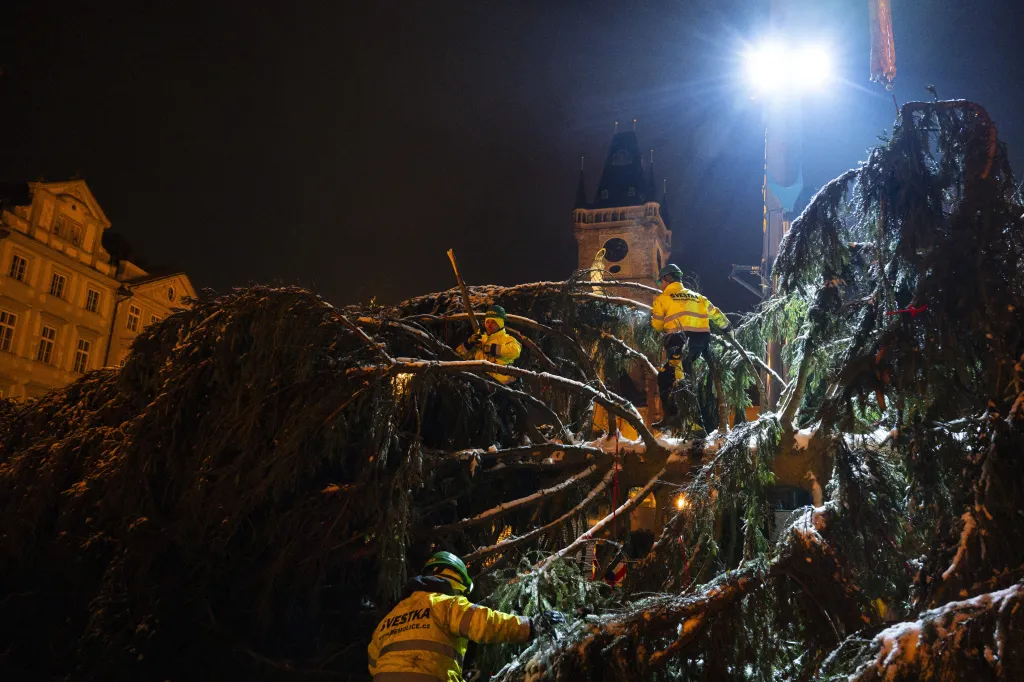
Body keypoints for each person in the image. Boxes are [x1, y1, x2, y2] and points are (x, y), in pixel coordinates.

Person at [368, 551, 565, 681]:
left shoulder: (390, 618)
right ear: (456, 583)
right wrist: (530, 625)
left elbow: (374, 663)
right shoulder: (445, 603)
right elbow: (485, 622)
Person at [650, 265, 730, 429]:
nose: (660, 285)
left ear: (666, 279)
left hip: (678, 344)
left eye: (660, 282)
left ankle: (685, 421)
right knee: (683, 377)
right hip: (699, 343)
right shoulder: (697, 297)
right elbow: (716, 315)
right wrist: (728, 328)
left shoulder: (663, 298)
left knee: (668, 378)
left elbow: (657, 326)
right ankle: (685, 419)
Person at [455, 305, 522, 385]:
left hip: (501, 387)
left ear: (500, 324)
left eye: (493, 322)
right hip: (479, 383)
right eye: (487, 322)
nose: (489, 325)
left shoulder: (509, 340)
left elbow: (515, 352)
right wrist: (468, 344)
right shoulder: (480, 339)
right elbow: (458, 355)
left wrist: (492, 349)